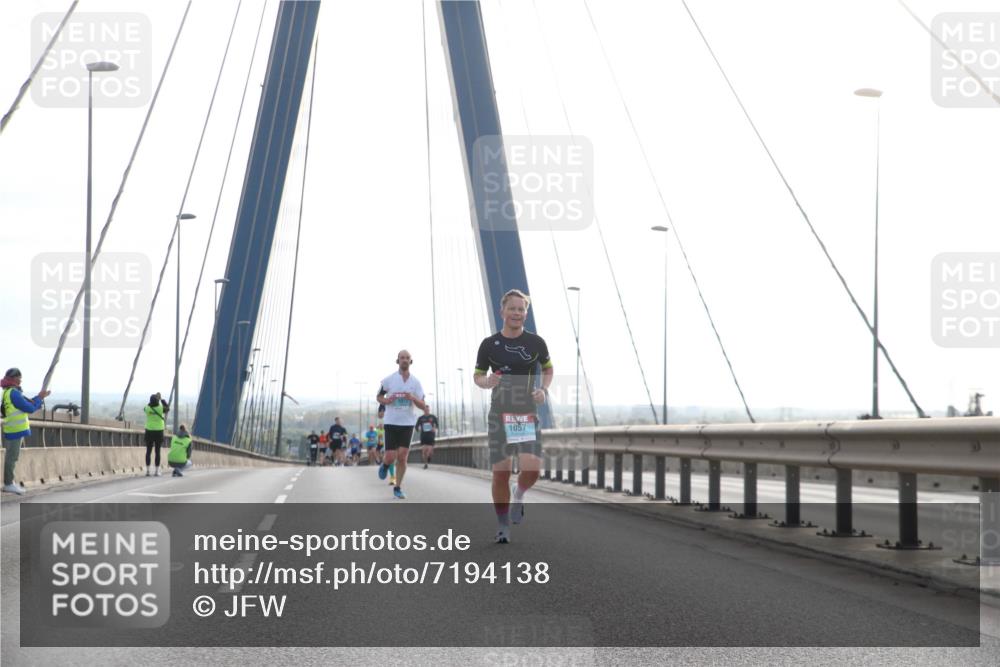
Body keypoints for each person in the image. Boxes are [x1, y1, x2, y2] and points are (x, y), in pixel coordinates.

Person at [473, 289, 553, 543]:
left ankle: (518, 494)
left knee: (532, 469)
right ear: (502, 312)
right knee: (501, 473)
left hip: (524, 415)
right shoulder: (488, 344)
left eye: (521, 309)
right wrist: (488, 381)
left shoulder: (536, 343)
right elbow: (478, 377)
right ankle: (502, 524)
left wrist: (543, 389)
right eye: (512, 309)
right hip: (499, 415)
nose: (517, 313)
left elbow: (549, 370)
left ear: (525, 314)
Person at [375, 350, 426, 499]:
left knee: (403, 456)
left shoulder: (416, 383)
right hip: (391, 422)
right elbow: (379, 396)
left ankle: (398, 487)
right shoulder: (389, 380)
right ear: (397, 361)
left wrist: (413, 398)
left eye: (407, 358)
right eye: (402, 358)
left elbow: (423, 405)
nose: (404, 360)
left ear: (411, 361)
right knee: (390, 456)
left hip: (407, 423)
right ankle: (385, 464)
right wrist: (387, 401)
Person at [1, 368, 50, 495]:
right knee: (12, 457)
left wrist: (39, 397)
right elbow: (29, 408)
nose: (21, 380)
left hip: (11, 429)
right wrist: (39, 399)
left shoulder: (8, 392)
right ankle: (8, 484)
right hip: (15, 430)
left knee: (12, 457)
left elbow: (28, 403)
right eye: (20, 378)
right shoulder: (14, 393)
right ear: (15, 378)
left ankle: (9, 483)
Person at [143, 392, 169, 476]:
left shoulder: (147, 408)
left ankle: (147, 471)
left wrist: (151, 402)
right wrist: (161, 399)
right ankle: (157, 471)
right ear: (157, 401)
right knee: (157, 451)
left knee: (148, 451)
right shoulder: (160, 408)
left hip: (149, 431)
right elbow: (167, 408)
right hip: (159, 431)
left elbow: (146, 407)